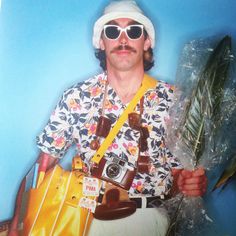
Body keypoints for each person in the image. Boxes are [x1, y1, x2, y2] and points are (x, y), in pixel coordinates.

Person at [9, 1, 207, 235]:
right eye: (112, 31)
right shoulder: (77, 97)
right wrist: (17, 224)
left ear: (146, 42)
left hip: (152, 221)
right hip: (87, 221)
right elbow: (41, 168)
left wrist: (190, 182)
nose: (123, 39)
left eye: (133, 31)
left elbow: (178, 176)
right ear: (102, 43)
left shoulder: (174, 100)